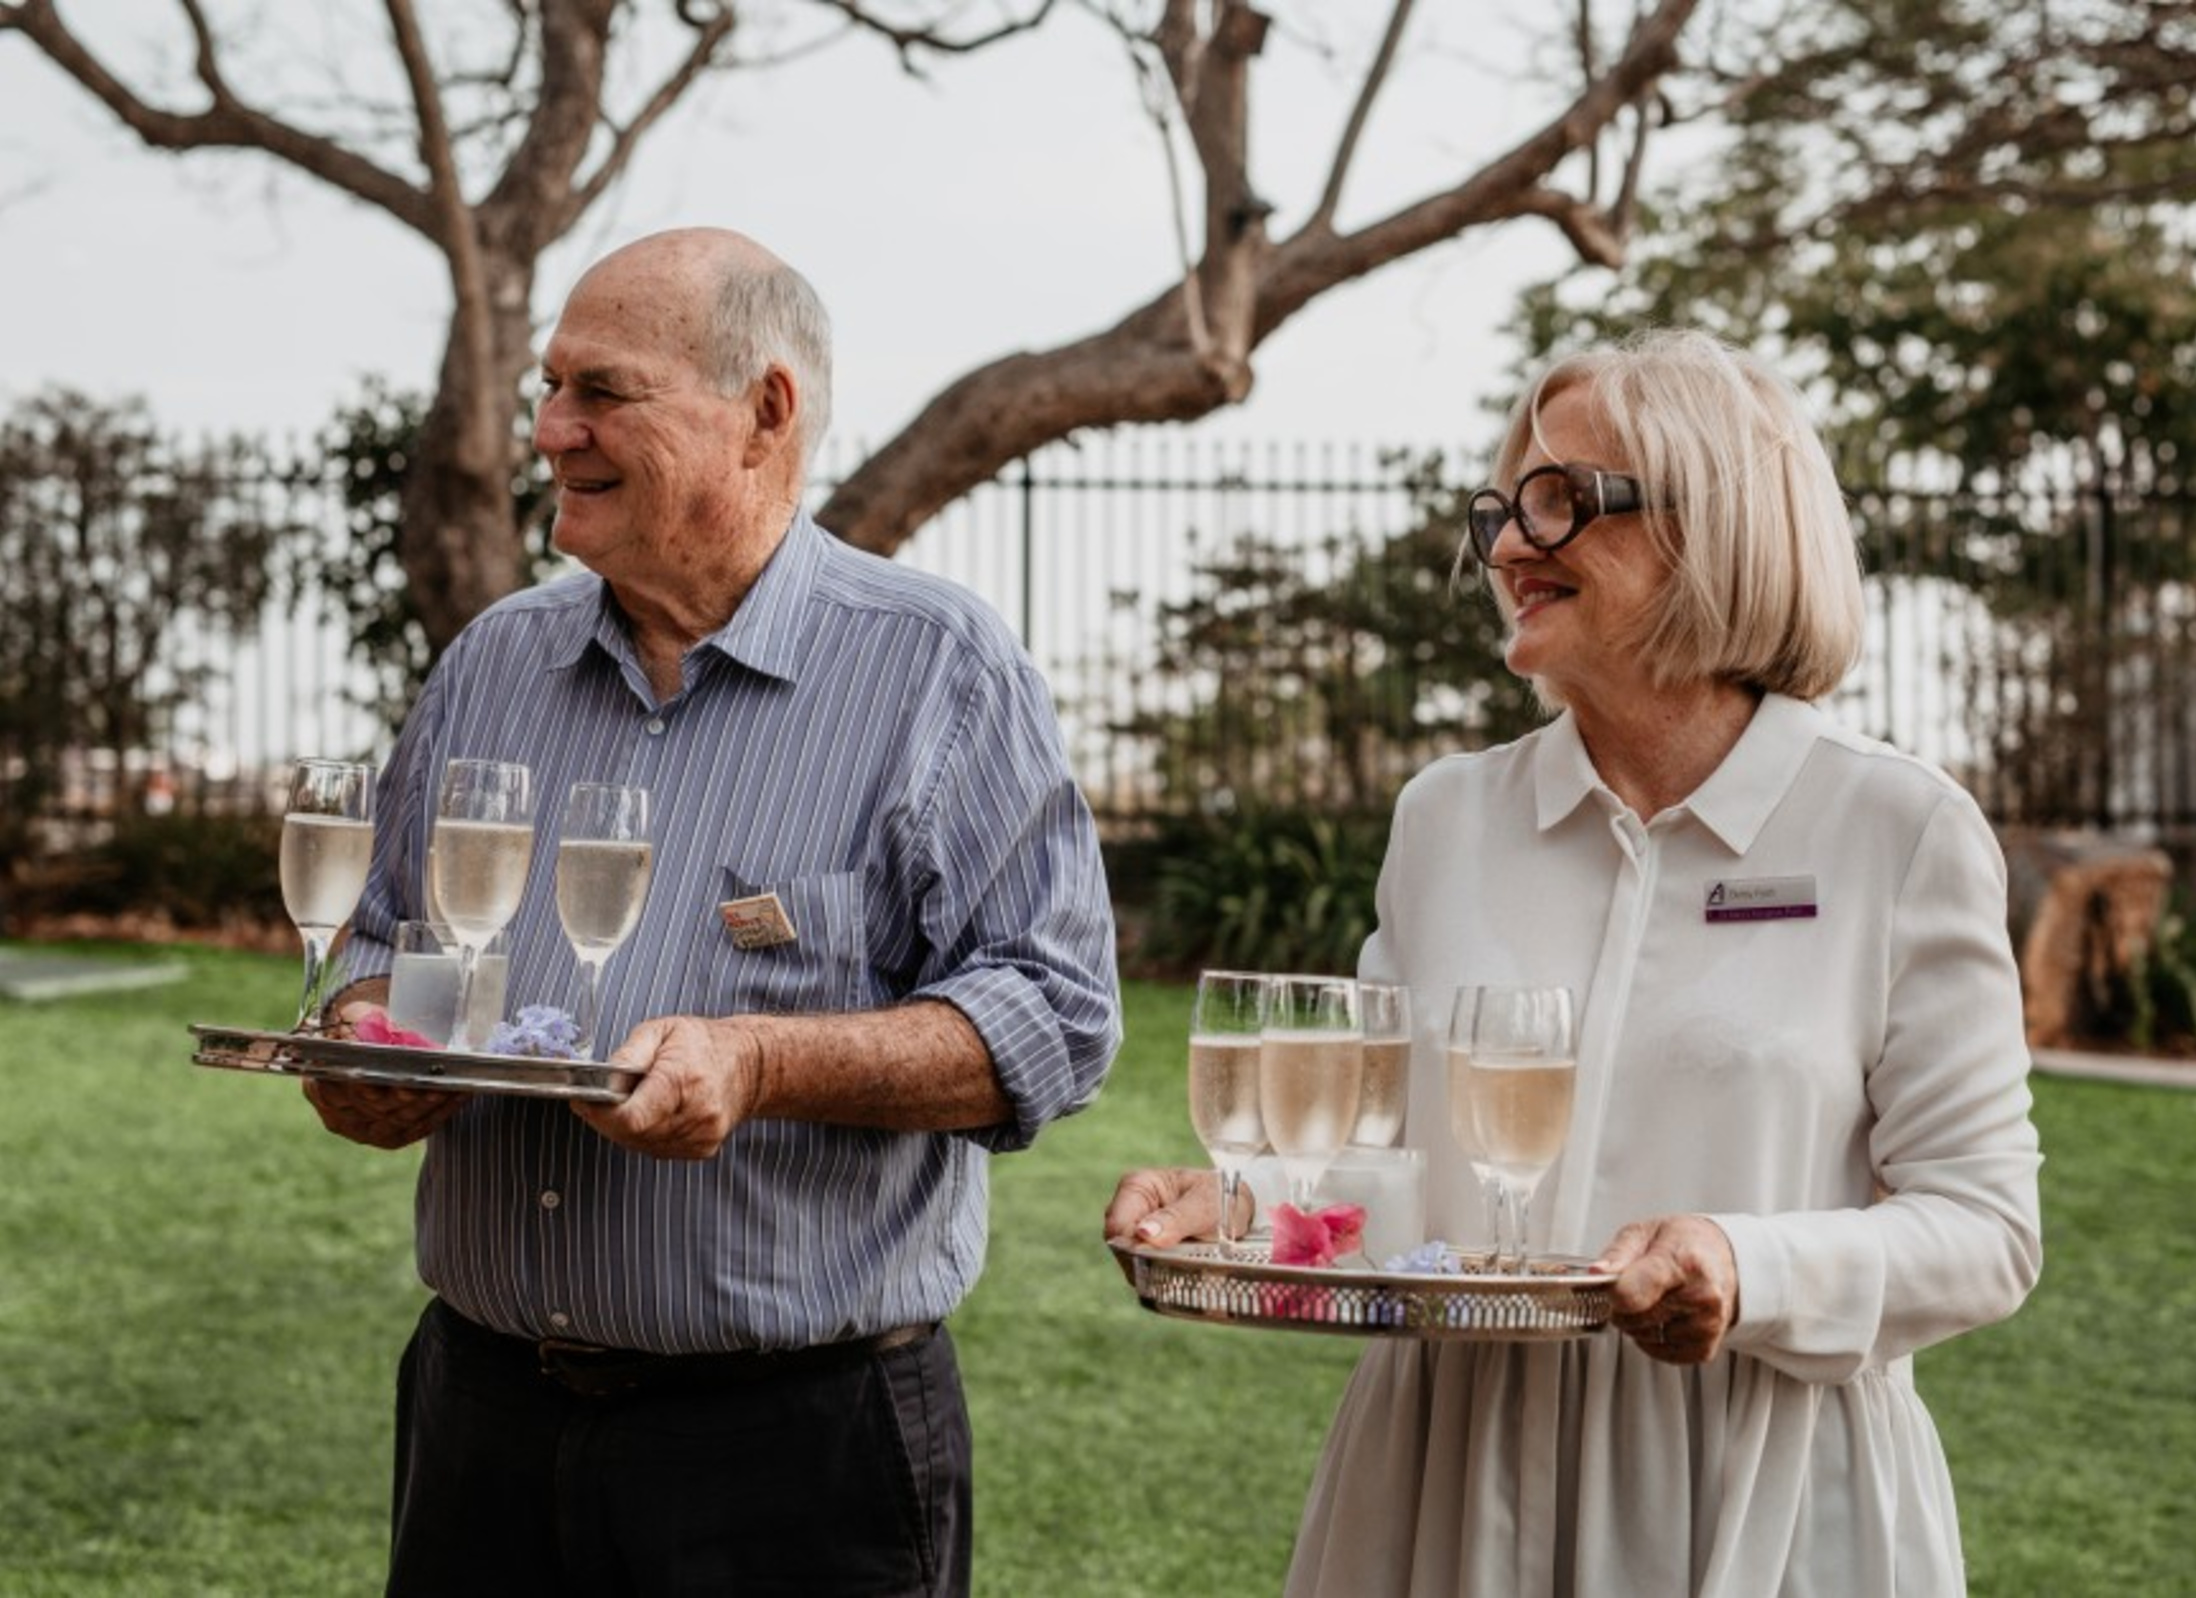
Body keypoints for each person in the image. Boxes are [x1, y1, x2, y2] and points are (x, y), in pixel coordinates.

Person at [1107, 330, 2041, 1596]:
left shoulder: (1898, 830)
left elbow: (1985, 1229)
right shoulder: (1446, 818)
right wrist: (1246, 1206)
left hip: (1759, 1491)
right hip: (1442, 1476)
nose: (1506, 546)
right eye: (1503, 506)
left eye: (1560, 502)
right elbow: (1379, 1166)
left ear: (1716, 523)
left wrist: (1743, 1263)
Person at [307, 226, 1121, 1597]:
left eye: (602, 391)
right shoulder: (494, 662)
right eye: (550, 391)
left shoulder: (937, 666)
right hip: (482, 1422)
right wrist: (361, 1045)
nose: (553, 429)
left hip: (797, 1457)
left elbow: (1054, 1016)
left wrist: (760, 1061)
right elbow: (384, 943)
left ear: (766, 411)